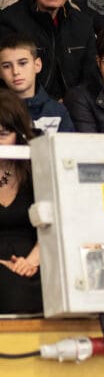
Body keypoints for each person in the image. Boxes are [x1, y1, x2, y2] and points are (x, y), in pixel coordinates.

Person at [0, 0, 97, 100]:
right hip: (25, 107)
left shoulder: (83, 24)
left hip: (75, 107)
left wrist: (72, 103)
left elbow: (90, 78)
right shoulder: (9, 21)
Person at [0, 87, 42, 314]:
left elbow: (55, 225)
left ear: (18, 134)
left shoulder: (36, 169)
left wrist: (30, 262)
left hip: (35, 260)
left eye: (3, 135)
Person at [0, 35, 73, 133]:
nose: (15, 72)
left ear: (37, 65)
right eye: (6, 66)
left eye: (22, 63)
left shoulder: (58, 111)